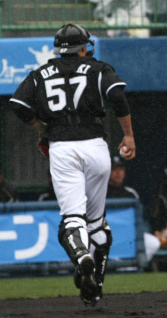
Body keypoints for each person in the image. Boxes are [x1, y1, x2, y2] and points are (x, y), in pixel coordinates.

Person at [9, 24, 135, 305]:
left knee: (72, 218)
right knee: (97, 222)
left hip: (62, 147)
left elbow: (18, 104)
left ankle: (81, 256)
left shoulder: (40, 73)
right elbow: (117, 96)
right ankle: (95, 287)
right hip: (96, 146)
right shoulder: (98, 68)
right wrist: (128, 135)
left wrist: (40, 127)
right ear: (83, 47)